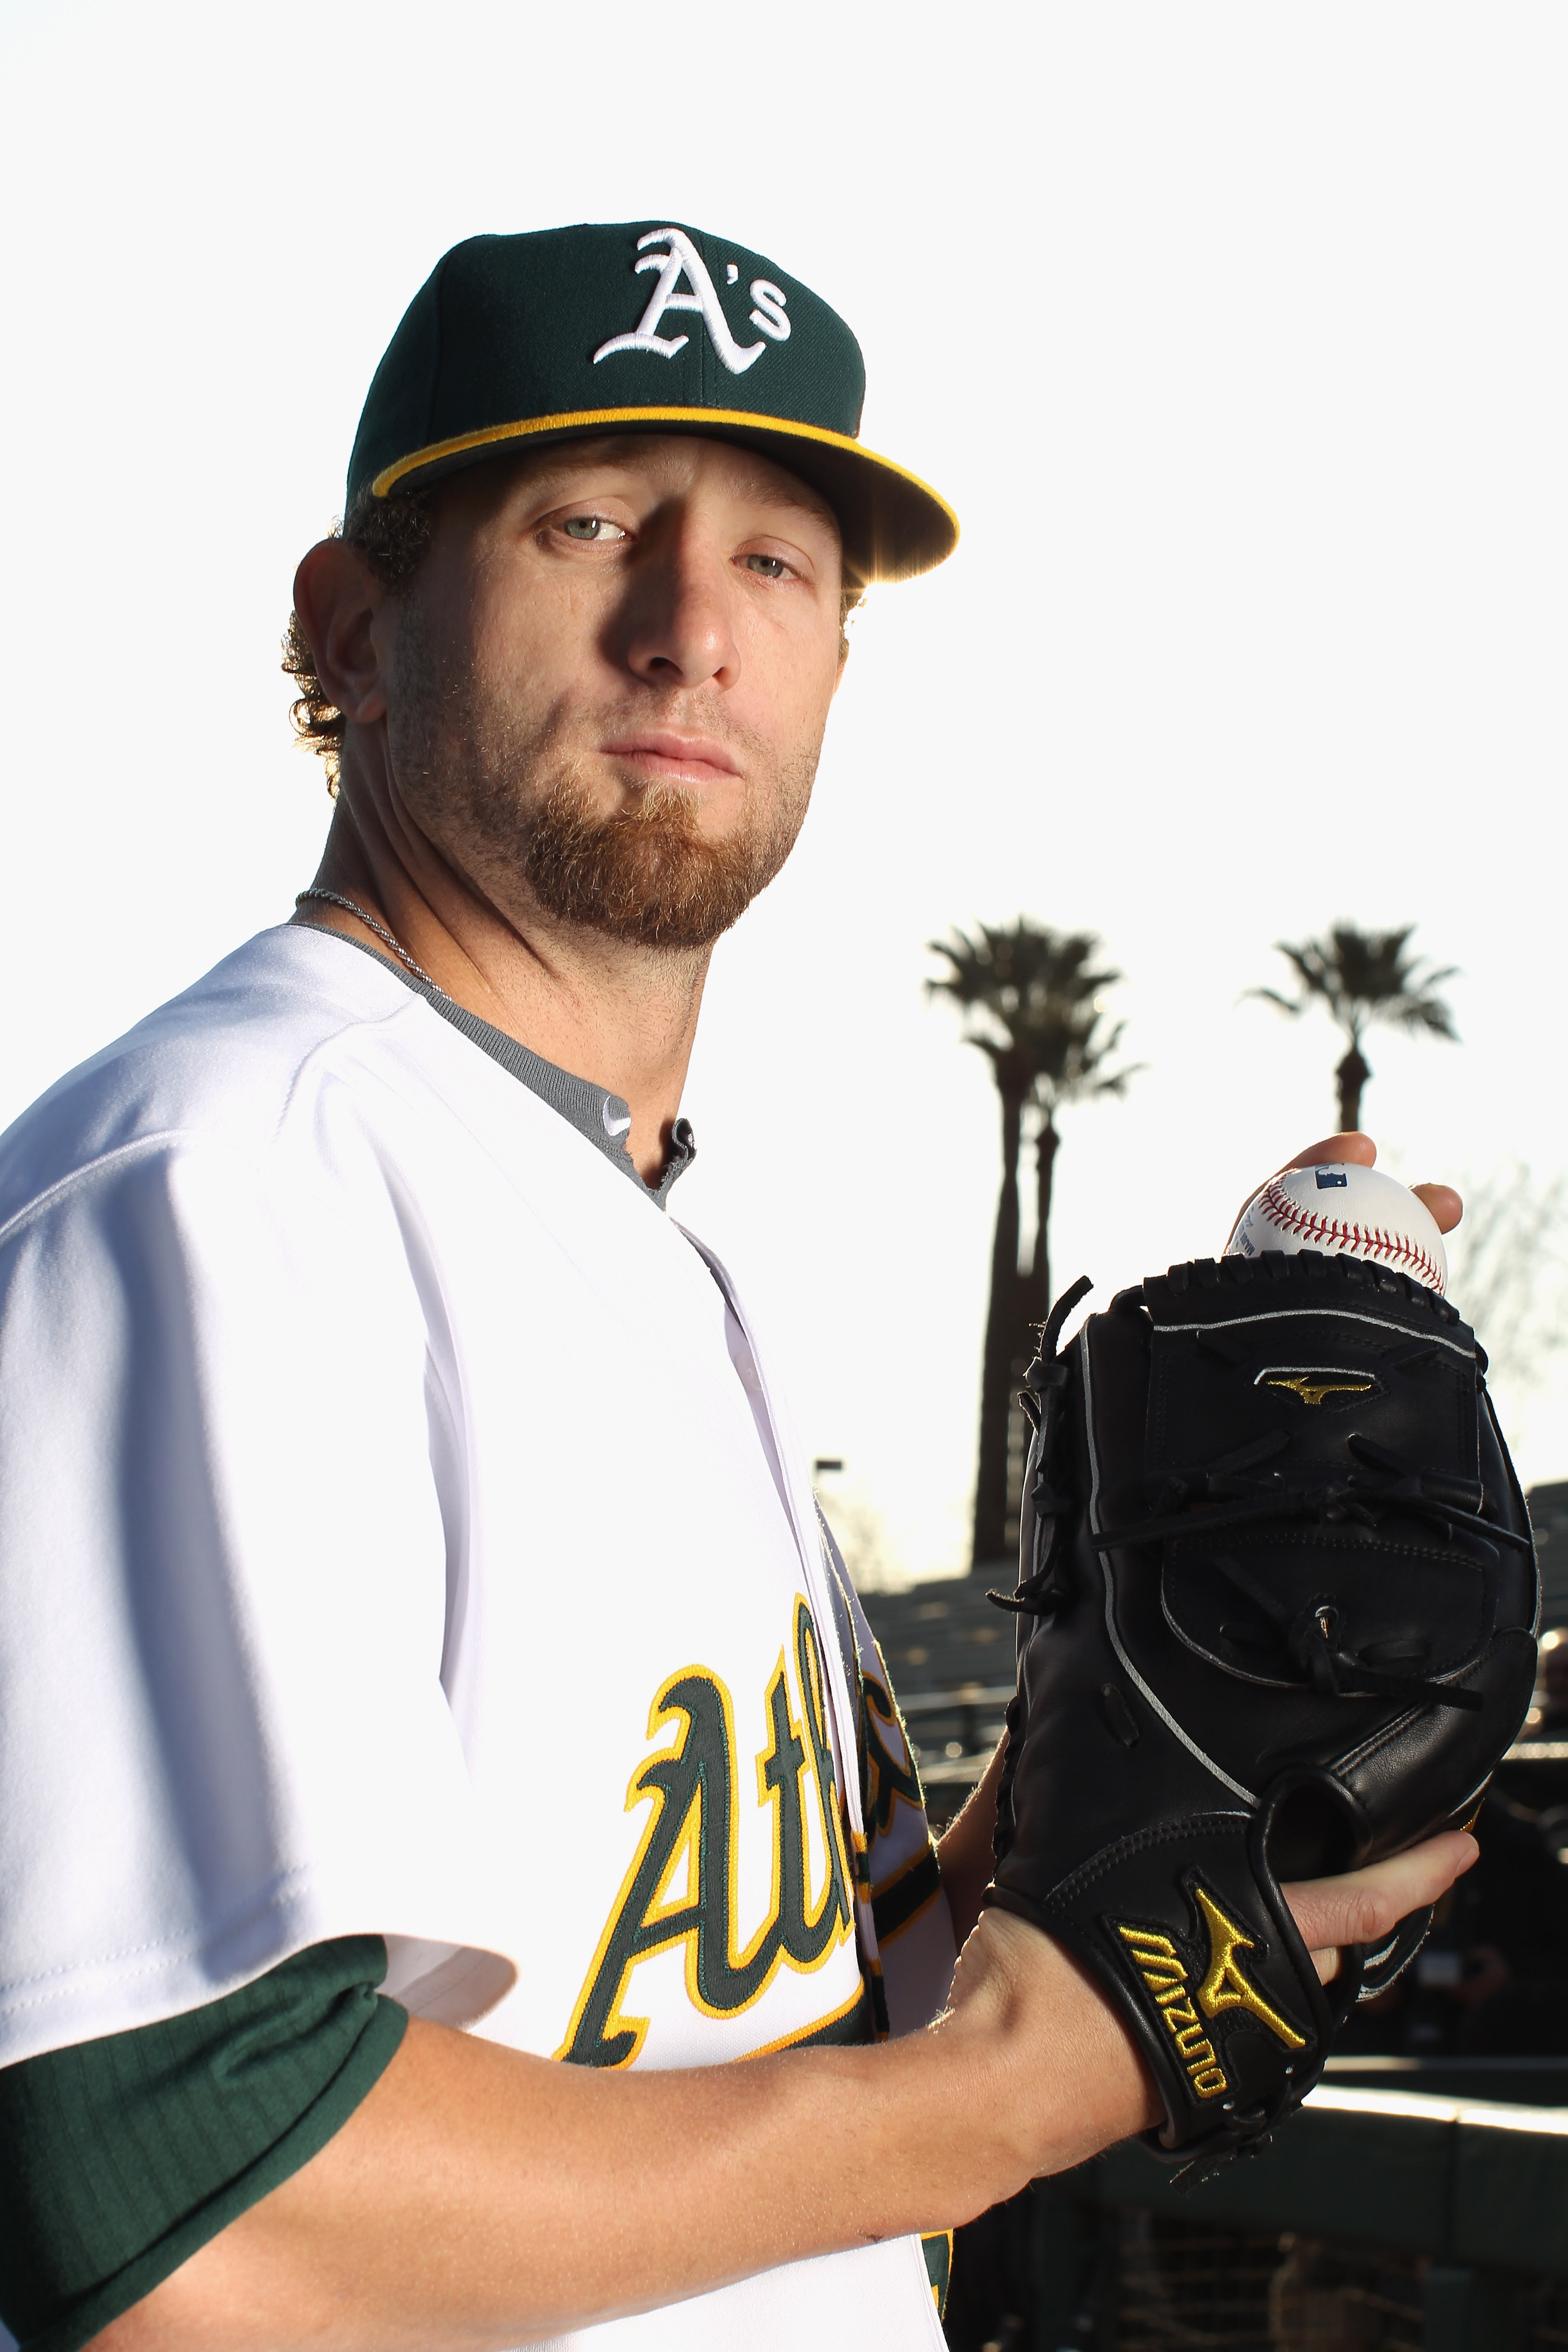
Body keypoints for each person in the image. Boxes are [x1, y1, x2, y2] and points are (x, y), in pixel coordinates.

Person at [0, 220, 1472, 2352]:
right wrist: (985, 2108)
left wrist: (1057, 1851)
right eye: (588, 521)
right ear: (356, 624)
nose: (691, 629)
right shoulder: (220, 1183)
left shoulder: (624, 1232)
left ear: (838, 667)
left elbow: (702, 2027)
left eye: (779, 560)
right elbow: (178, 2190)